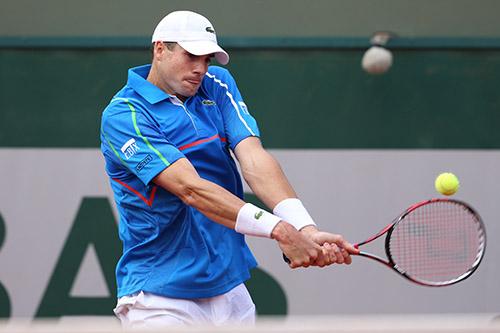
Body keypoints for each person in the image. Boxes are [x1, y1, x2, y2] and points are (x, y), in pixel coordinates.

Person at [100, 10, 359, 328]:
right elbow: (190, 189)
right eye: (191, 56)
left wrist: (303, 227)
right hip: (158, 298)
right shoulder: (125, 115)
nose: (200, 69)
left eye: (207, 59)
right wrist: (279, 230)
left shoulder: (217, 85)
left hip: (230, 292)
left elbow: (253, 158)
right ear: (159, 49)